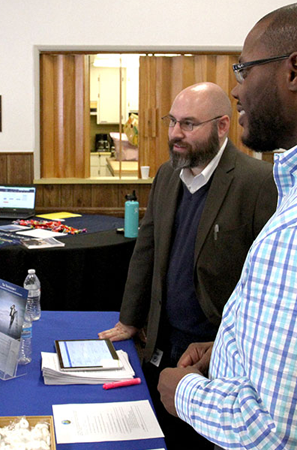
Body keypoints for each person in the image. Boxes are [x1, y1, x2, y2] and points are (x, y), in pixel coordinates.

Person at [99, 82, 277, 449]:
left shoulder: (258, 182)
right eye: (172, 122)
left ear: (223, 126)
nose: (175, 134)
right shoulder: (167, 175)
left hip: (213, 355)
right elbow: (145, 249)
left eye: (189, 124)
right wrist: (130, 318)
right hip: (159, 344)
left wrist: (229, 346)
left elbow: (266, 281)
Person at [157, 4, 297, 449]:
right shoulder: (287, 190)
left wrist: (183, 392)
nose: (236, 90)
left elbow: (271, 430)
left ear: (294, 71)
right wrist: (226, 352)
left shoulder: (285, 223)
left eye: (244, 69)